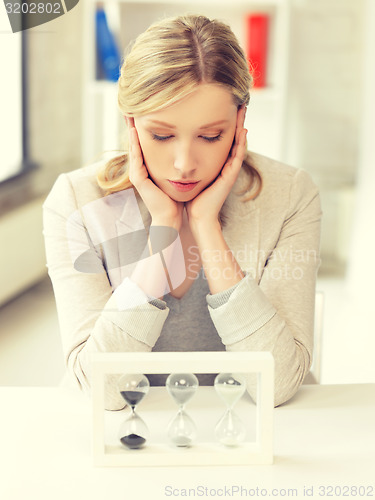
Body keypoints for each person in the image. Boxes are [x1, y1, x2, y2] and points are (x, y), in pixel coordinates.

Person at [43, 14, 321, 410]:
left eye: (210, 136)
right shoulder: (75, 201)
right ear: (132, 124)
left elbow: (275, 386)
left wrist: (207, 226)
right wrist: (165, 229)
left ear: (240, 122)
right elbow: (102, 392)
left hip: (250, 430)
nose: (183, 164)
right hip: (125, 436)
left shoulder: (290, 194)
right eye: (162, 135)